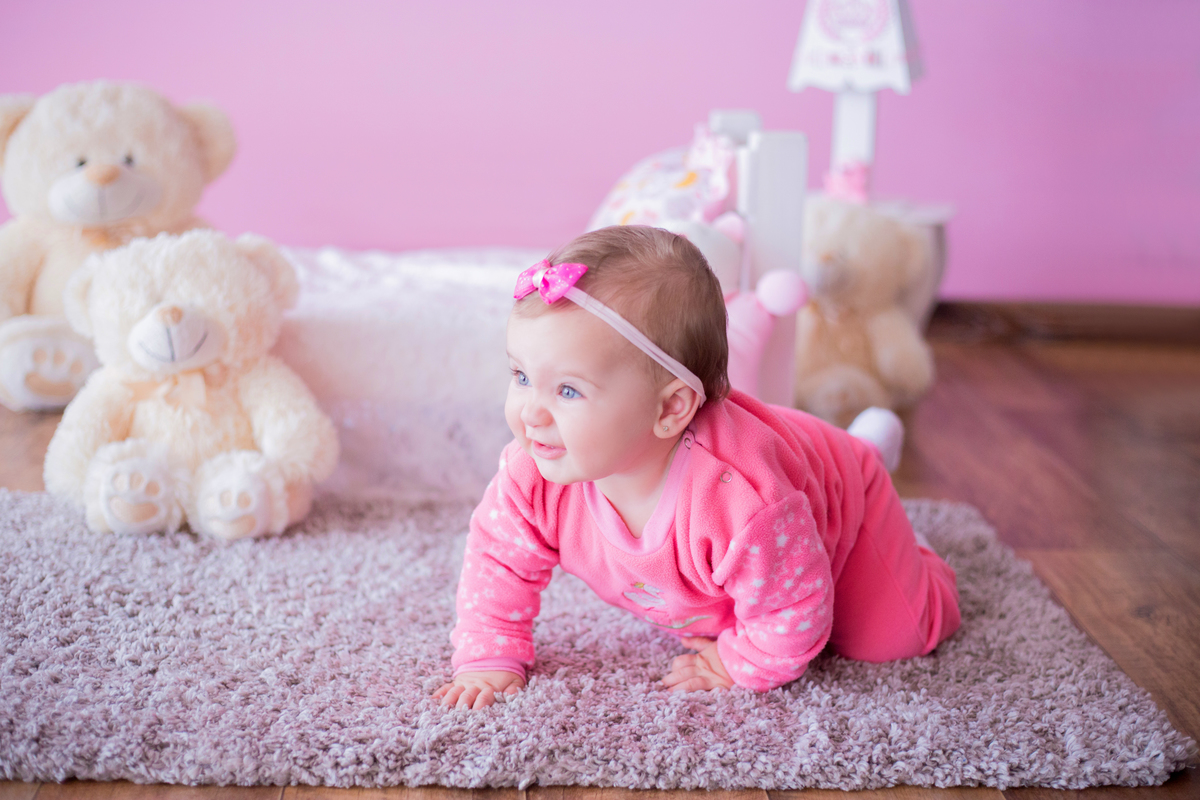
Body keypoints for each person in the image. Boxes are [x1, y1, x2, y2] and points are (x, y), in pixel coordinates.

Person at [434, 226, 960, 710]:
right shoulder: (532, 472)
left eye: (567, 390)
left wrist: (739, 661)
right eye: (521, 376)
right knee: (739, 596)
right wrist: (488, 657)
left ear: (668, 410)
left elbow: (795, 610)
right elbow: (496, 562)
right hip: (771, 534)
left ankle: (898, 524)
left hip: (842, 501)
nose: (530, 412)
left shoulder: (742, 503)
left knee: (891, 636)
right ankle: (860, 446)